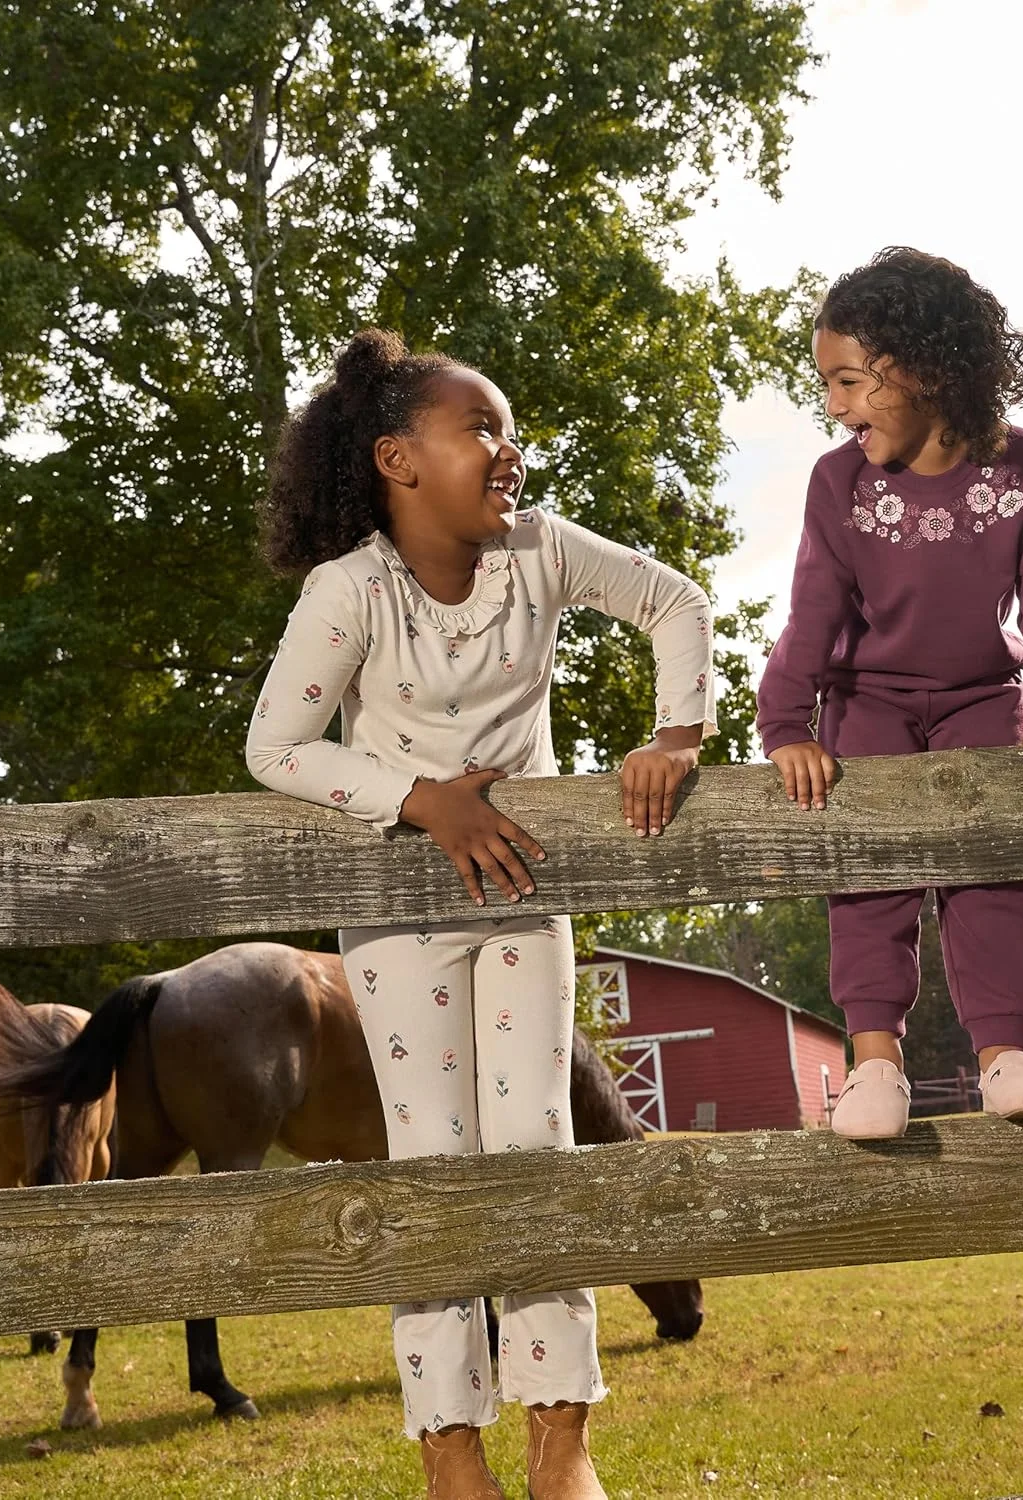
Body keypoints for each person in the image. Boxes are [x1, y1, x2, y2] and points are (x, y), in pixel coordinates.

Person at [246, 327, 716, 1500]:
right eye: (483, 430)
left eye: (509, 430)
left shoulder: (541, 553)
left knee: (536, 1153)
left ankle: (563, 1441)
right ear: (399, 460)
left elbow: (676, 604)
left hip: (523, 907)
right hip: (400, 924)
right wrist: (421, 802)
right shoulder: (349, 591)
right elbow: (275, 747)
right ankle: (449, 1451)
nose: (512, 450)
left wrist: (676, 734)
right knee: (435, 1167)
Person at [756, 247, 1023, 1140]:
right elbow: (813, 605)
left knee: (988, 870)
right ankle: (874, 1066)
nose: (834, 406)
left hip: (983, 698)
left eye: (851, 381)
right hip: (867, 702)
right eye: (827, 385)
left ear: (927, 366)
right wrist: (786, 723)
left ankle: (1004, 1055)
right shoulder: (841, 482)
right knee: (868, 874)